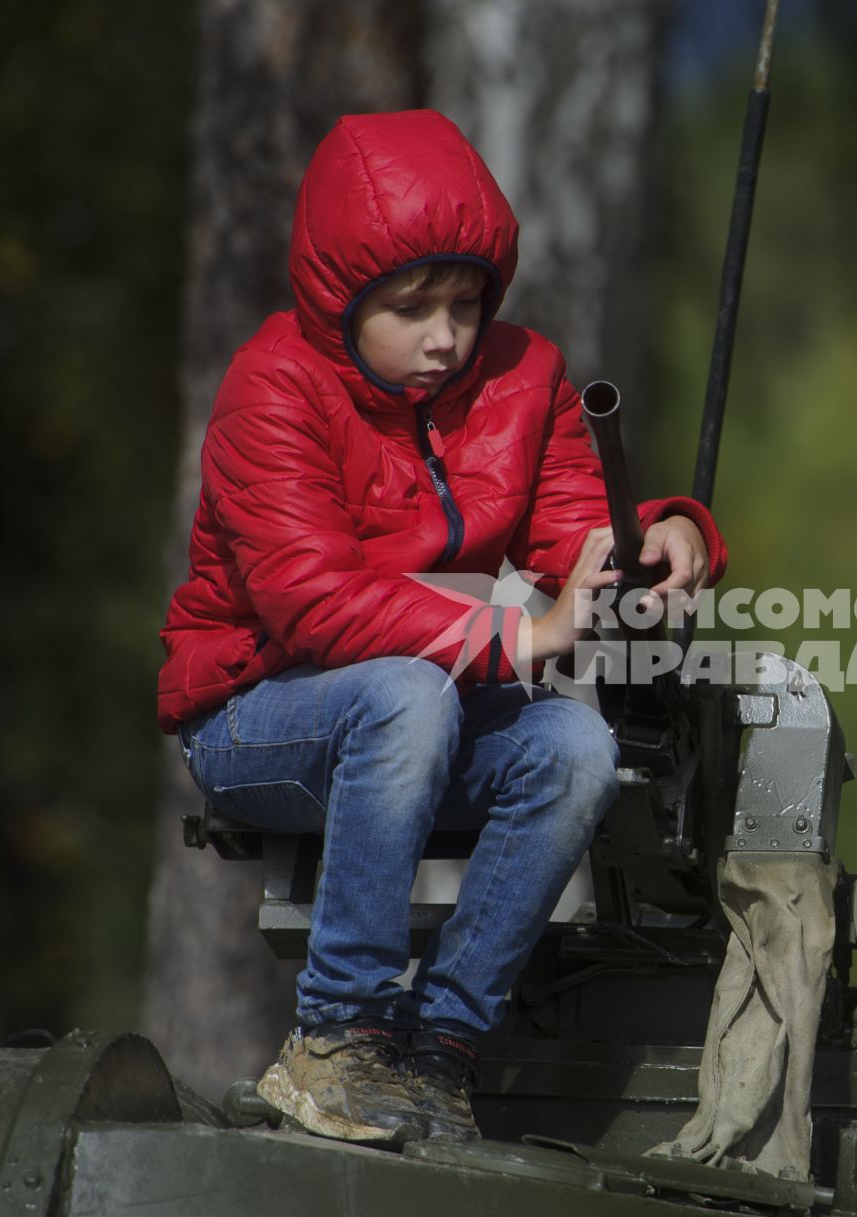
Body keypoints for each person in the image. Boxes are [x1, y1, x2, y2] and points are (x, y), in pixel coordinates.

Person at [156, 110, 726, 1146]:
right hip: (256, 712)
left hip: (416, 711)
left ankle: (439, 1051)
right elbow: (312, 602)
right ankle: (338, 1037)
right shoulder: (271, 388)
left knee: (572, 747)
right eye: (410, 308)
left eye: (465, 304)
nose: (445, 337)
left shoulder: (524, 376)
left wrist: (665, 538)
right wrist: (523, 638)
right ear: (340, 300)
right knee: (406, 691)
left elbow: (574, 531)